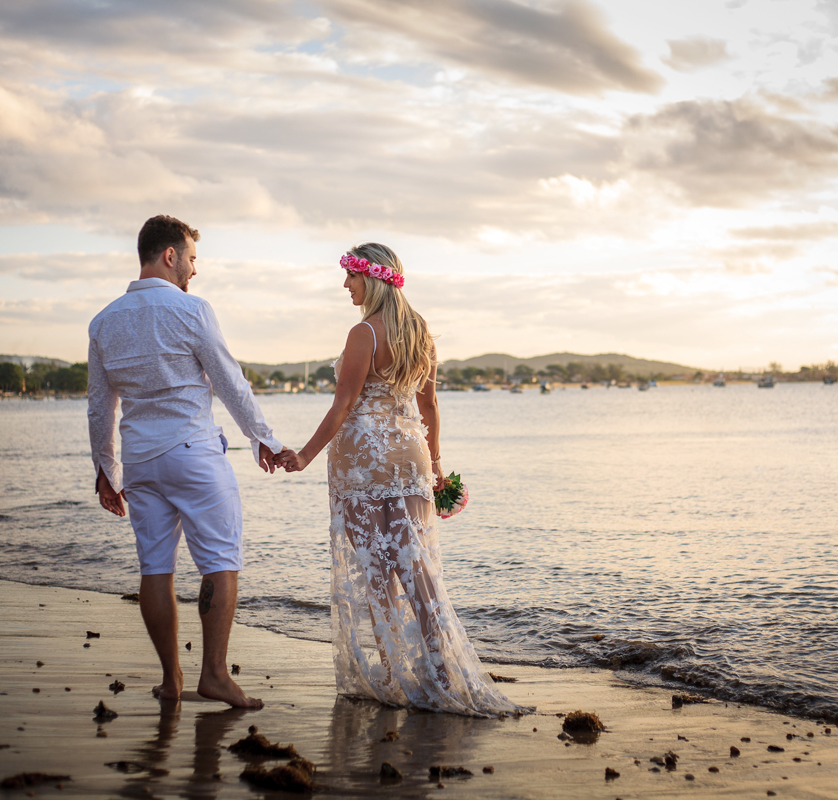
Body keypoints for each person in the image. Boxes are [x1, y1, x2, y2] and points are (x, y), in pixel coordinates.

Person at [277, 243, 520, 716]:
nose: (346, 285)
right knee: (419, 571)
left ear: (374, 279)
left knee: (379, 575)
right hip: (410, 458)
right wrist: (436, 465)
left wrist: (305, 455)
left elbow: (344, 404)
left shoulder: (364, 331)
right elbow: (428, 406)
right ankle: (443, 673)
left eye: (351, 276)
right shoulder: (420, 332)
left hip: (365, 461)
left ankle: (395, 676)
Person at [87, 214, 283, 709]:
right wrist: (263, 438)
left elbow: (98, 406)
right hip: (193, 453)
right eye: (191, 258)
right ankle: (214, 674)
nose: (194, 270)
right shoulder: (192, 310)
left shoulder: (104, 321)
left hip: (141, 464)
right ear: (169, 255)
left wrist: (106, 472)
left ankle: (172, 680)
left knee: (155, 569)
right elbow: (229, 380)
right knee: (219, 561)